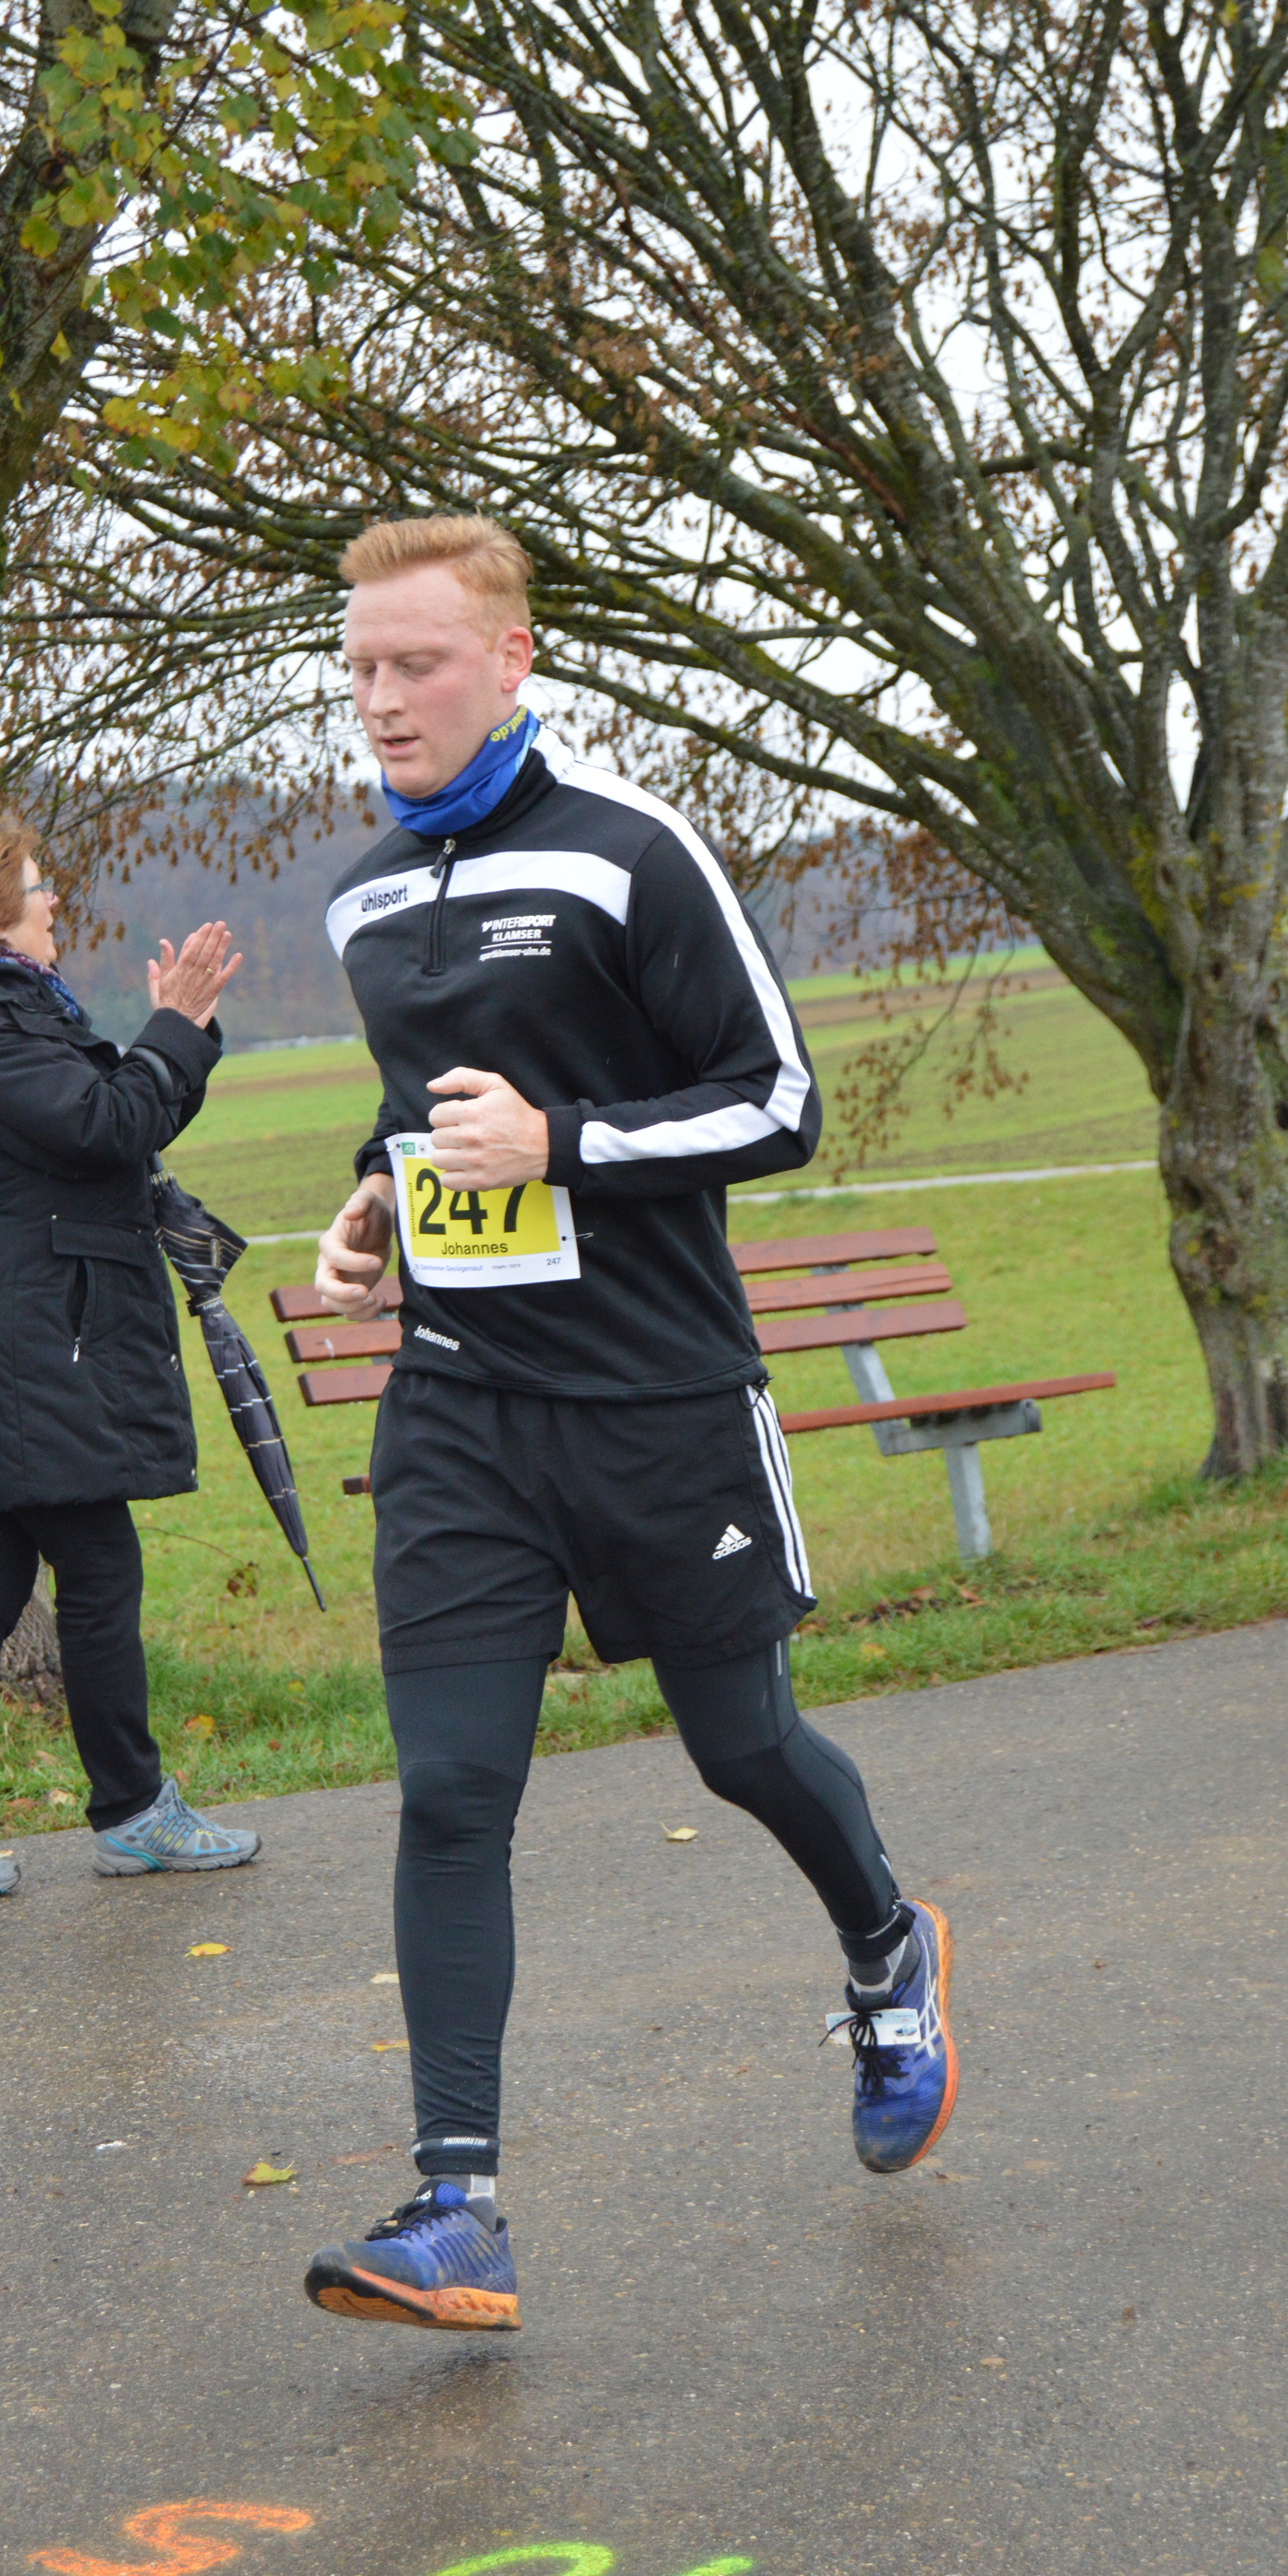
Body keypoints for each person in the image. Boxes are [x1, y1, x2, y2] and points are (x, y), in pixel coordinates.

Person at [300, 515, 957, 2332]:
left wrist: (565, 1144)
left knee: (741, 1745)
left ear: (511, 658)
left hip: (661, 1401)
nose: (381, 697)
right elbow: (425, 1117)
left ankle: (889, 1947)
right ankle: (456, 2210)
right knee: (451, 1785)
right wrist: (376, 1201)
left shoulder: (629, 850)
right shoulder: (363, 900)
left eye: (416, 662)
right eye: (360, 667)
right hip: (463, 1405)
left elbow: (778, 1101)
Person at [0, 819, 262, 1900]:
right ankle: (131, 1812)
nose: (55, 901)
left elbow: (124, 1124)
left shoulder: (9, 1014)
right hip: (14, 1351)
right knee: (95, 1565)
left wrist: (184, 1031)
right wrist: (170, 1027)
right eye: (37, 887)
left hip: (15, 1341)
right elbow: (105, 1124)